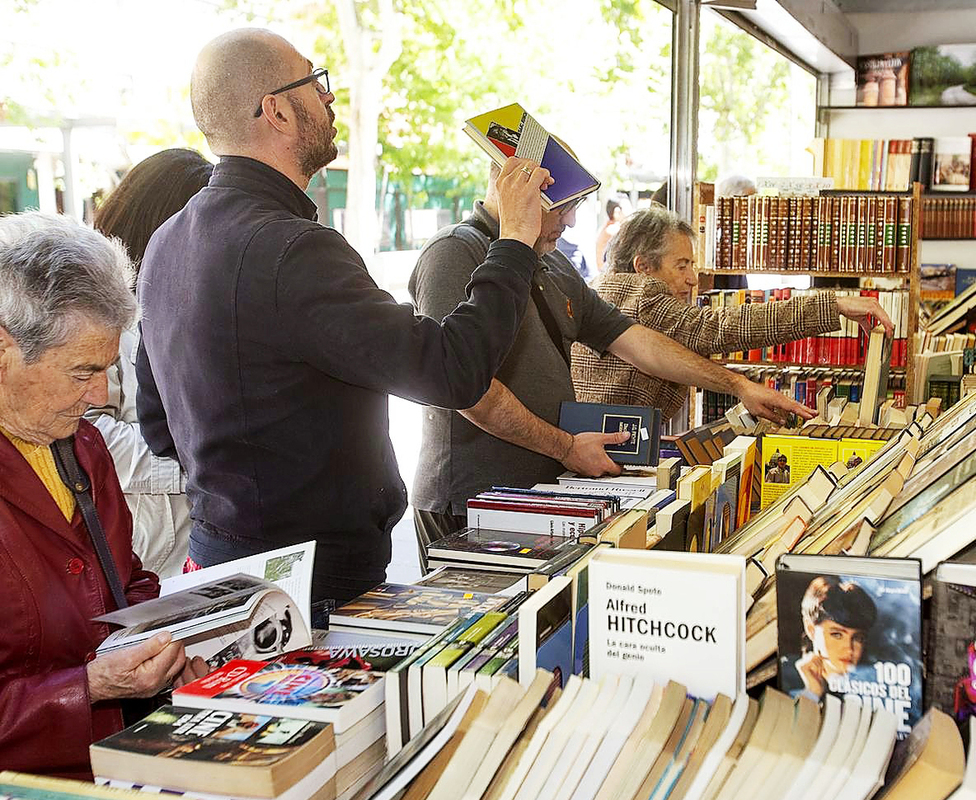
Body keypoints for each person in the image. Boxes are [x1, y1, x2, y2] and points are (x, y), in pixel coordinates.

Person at [136, 28, 552, 608]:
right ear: (277, 110)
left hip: (224, 561)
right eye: (317, 82)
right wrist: (514, 240)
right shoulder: (292, 249)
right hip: (310, 580)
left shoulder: (166, 242)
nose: (330, 99)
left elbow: (159, 425)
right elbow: (453, 371)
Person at [409, 161, 814, 572]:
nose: (568, 222)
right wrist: (564, 447)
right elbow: (468, 390)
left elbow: (637, 342)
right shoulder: (455, 252)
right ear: (513, 190)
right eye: (557, 206)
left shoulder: (552, 264)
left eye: (573, 206)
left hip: (540, 493)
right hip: (470, 500)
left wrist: (737, 385)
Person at [0, 212, 203, 777]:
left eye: (109, 369)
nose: (100, 395)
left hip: (112, 769)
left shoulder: (81, 446)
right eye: (82, 371)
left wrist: (174, 642)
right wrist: (87, 687)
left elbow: (124, 579)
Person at [571, 206, 895, 421]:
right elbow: (722, 328)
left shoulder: (604, 287)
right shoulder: (642, 294)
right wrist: (833, 305)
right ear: (643, 266)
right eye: (681, 266)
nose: (692, 279)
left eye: (692, 265)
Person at [88, 148, 213, 576]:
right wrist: (204, 468)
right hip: (143, 549)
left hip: (197, 543)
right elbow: (86, 434)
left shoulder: (197, 302)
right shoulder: (97, 312)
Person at [782, 576, 877, 702]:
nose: (849, 649)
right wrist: (812, 693)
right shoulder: (785, 676)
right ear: (811, 629)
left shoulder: (869, 685)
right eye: (837, 634)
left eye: (857, 638)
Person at [595, 194, 630, 272]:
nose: (631, 212)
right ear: (616, 212)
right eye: (627, 208)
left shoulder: (607, 227)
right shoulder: (614, 230)